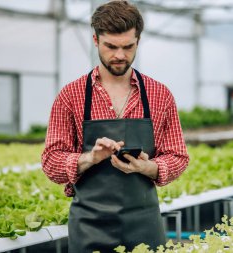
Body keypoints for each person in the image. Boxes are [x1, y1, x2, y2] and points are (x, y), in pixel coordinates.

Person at [41, 1, 189, 252]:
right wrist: (90, 158)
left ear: (138, 42)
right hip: (90, 226)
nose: (120, 55)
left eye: (128, 47)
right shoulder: (71, 95)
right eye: (111, 46)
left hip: (144, 224)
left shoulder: (159, 95)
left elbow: (178, 156)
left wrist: (149, 167)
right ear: (96, 40)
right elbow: (51, 162)